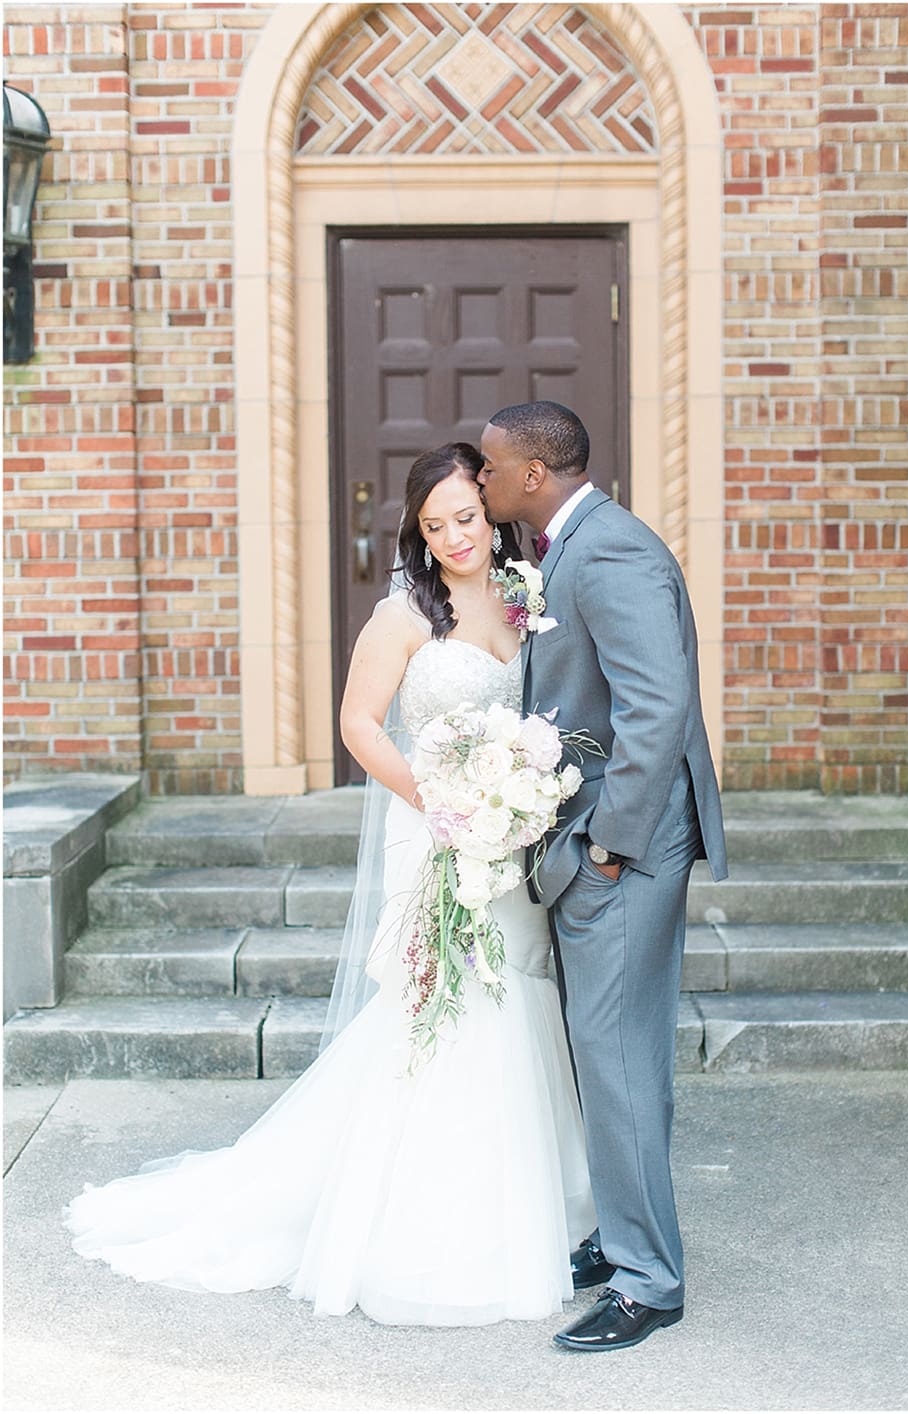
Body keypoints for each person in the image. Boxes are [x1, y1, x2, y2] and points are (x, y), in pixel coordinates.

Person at [65, 444, 595, 1325]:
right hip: (433, 827)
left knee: (521, 989)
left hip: (515, 831)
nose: (456, 537)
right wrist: (441, 800)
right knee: (447, 1002)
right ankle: (432, 1226)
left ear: (490, 509)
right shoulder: (402, 614)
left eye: (467, 516)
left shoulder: (523, 590)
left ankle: (551, 1203)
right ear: (416, 533)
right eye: (435, 525)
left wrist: (519, 791)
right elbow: (357, 724)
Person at [476, 400, 728, 1354]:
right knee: (607, 1058)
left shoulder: (611, 552)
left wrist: (608, 846)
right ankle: (622, 1236)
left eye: (494, 470)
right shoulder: (571, 545)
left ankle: (648, 1283)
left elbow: (657, 708)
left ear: (534, 474)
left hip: (624, 850)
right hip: (600, 846)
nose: (486, 483)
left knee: (618, 1063)